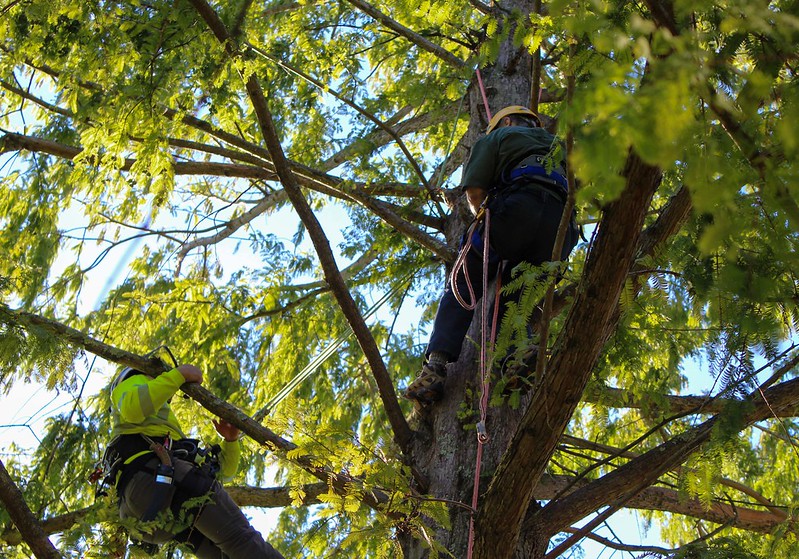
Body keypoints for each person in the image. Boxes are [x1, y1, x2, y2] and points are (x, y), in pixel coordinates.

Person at [404, 106, 579, 407]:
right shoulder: (562, 147)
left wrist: (482, 218)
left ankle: (436, 365)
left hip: (517, 209)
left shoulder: (501, 135)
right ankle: (516, 355)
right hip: (560, 230)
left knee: (464, 282)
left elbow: (474, 192)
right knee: (517, 295)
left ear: (507, 121)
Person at [101, 363, 284, 558]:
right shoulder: (132, 380)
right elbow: (134, 407)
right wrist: (179, 375)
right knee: (242, 541)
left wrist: (230, 441)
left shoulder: (169, 441)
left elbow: (225, 474)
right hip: (157, 479)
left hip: (153, 512)